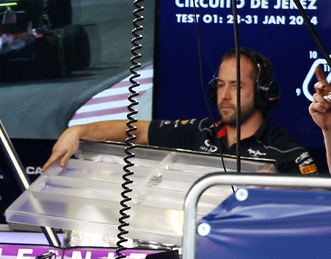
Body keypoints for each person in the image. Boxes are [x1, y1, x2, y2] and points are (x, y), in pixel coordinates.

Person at [46, 48, 317, 175]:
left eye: (236, 86)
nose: (224, 95)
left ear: (263, 93)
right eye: (220, 85)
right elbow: (137, 131)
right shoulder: (199, 132)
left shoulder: (288, 154)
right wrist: (77, 131)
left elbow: (316, 215)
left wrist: (280, 194)